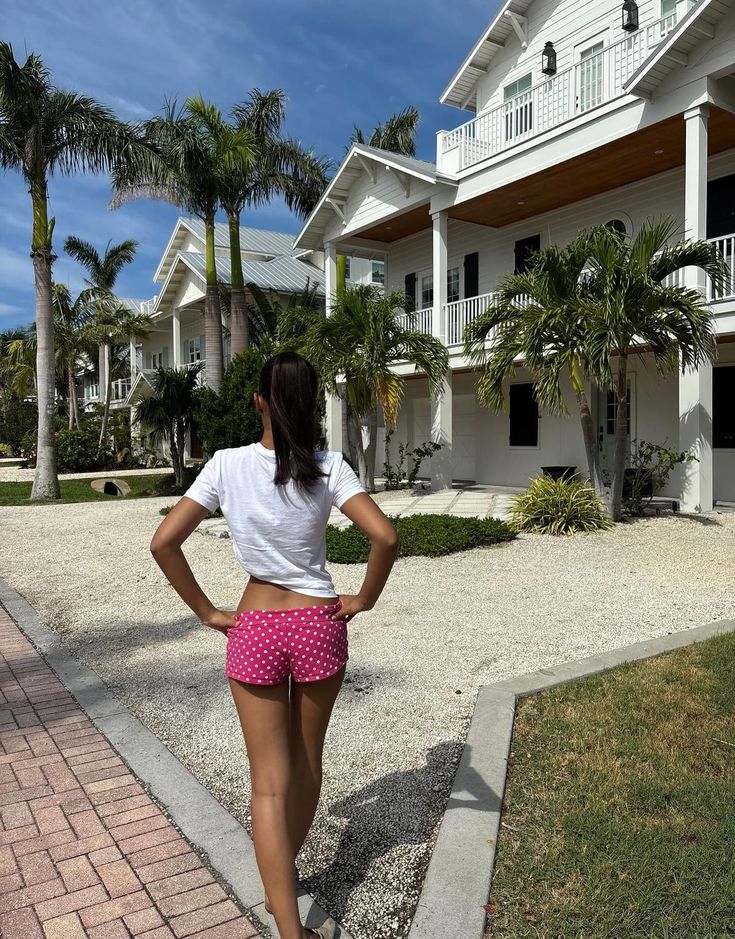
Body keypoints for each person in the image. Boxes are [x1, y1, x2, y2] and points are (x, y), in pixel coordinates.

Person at [150, 351, 399, 939]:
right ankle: (282, 885)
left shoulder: (226, 465)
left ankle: (286, 923)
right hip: (317, 622)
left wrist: (209, 611)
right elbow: (385, 536)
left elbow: (164, 542)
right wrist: (364, 598)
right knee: (306, 761)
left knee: (266, 779)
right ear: (311, 406)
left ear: (258, 401)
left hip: (255, 626)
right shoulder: (329, 466)